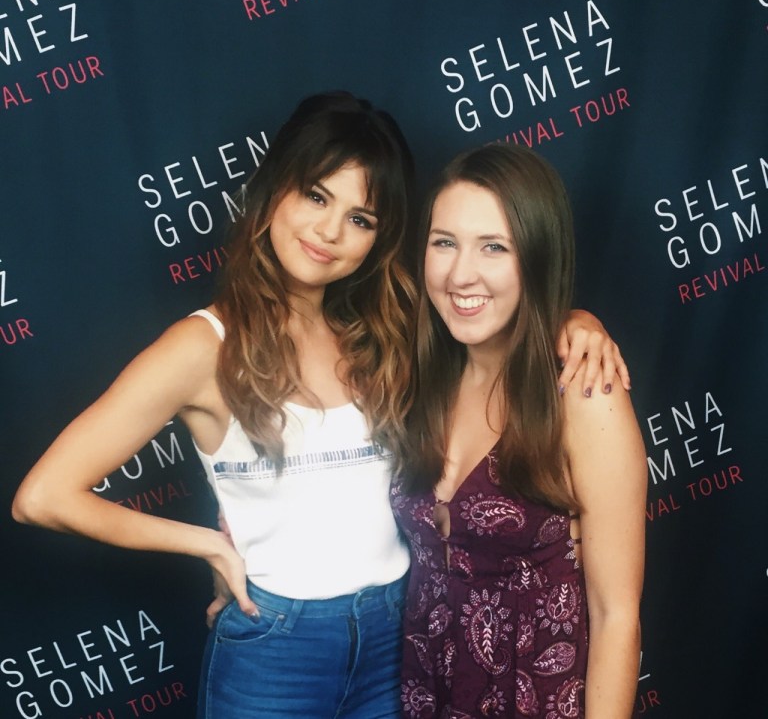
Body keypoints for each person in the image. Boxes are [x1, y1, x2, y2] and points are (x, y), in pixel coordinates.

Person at [12, 93, 627, 719]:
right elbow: (43, 495)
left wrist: (578, 322)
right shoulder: (203, 346)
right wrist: (207, 547)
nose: (330, 232)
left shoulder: (389, 330)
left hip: (402, 637)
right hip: (276, 650)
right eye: (316, 195)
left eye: (361, 219)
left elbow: (501, 310)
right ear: (274, 190)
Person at [392, 143, 647, 718]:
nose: (461, 274)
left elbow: (616, 615)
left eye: (494, 247)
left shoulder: (583, 393)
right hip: (425, 693)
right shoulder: (415, 377)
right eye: (444, 243)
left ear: (535, 255)